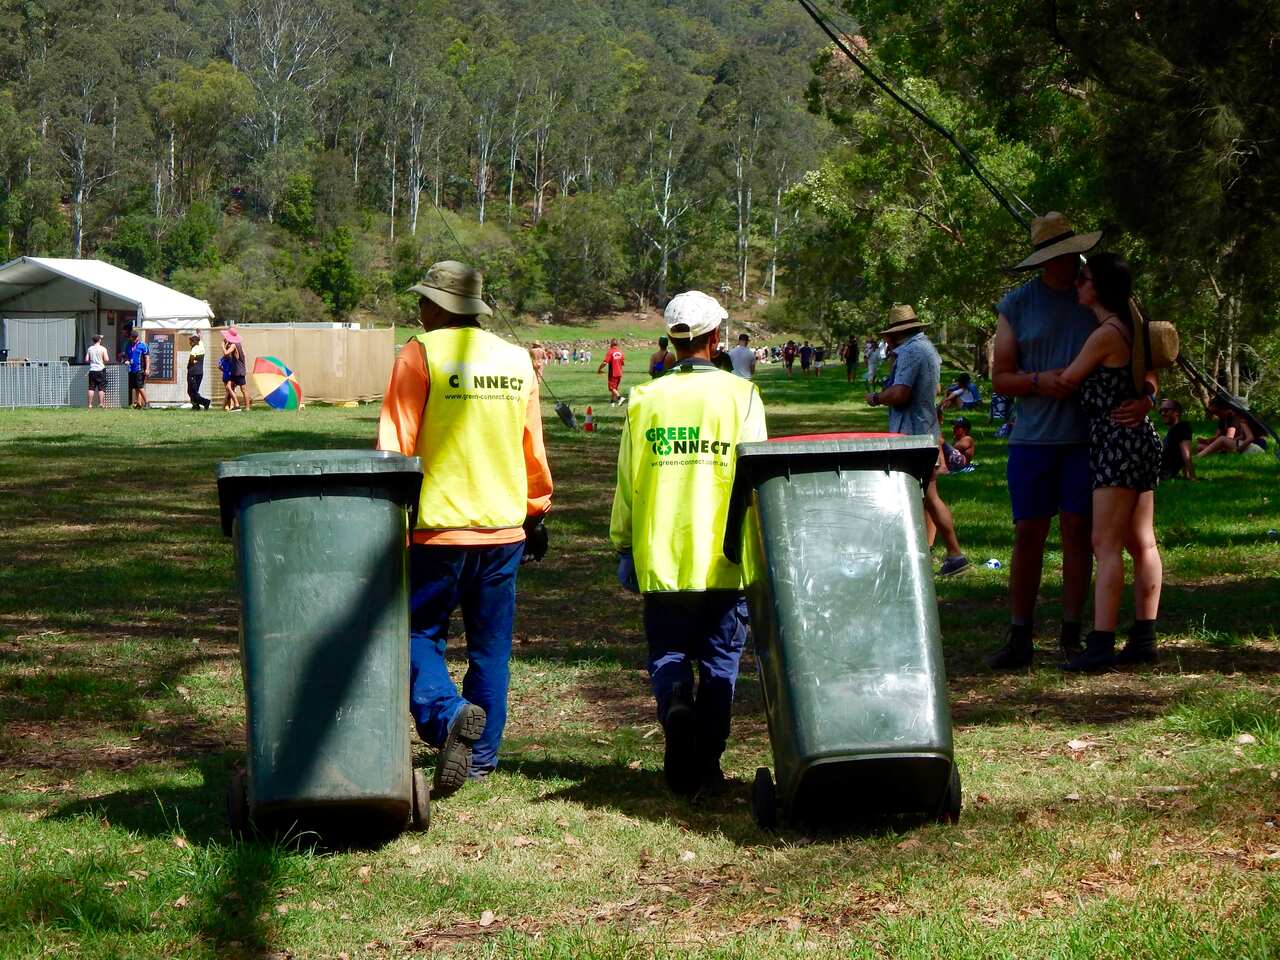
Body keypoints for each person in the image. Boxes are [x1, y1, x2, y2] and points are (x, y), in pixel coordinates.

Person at [377, 260, 553, 794]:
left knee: (412, 634)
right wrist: (536, 507)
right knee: (491, 648)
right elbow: (532, 447)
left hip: (437, 528)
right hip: (503, 528)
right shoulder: (517, 359)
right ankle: (480, 760)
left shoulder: (420, 353)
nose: (418, 309)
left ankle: (446, 713)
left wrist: (384, 514)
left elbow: (394, 447)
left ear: (438, 306)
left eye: (423, 300)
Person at [609, 290, 766, 799]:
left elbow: (627, 483)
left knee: (669, 650)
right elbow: (760, 480)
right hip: (726, 556)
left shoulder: (644, 398)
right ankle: (707, 762)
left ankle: (675, 700)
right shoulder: (741, 395)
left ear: (672, 341)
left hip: (663, 555)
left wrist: (623, 544)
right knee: (721, 663)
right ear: (715, 337)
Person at [985, 212, 1151, 669]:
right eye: (1056, 256)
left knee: (1080, 535)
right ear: (1042, 260)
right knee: (1028, 534)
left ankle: (1072, 633)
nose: (1068, 263)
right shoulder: (1016, 305)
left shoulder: (1102, 298)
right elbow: (1000, 377)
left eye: (1071, 253)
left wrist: (1147, 399)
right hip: (1033, 438)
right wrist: (1039, 381)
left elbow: (1145, 358)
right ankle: (1020, 634)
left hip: (1090, 440)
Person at [1055, 252, 1163, 669]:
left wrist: (1029, 379)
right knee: (1143, 542)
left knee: (1106, 544)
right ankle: (1143, 637)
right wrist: (1147, 400)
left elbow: (1069, 380)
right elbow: (1152, 374)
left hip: (1115, 442)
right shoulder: (1134, 323)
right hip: (1139, 440)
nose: (1077, 285)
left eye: (1082, 279)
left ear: (1097, 286)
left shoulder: (1105, 333)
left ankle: (1100, 643)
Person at [867, 305, 970, 577]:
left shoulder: (912, 352)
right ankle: (947, 554)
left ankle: (946, 553)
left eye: (889, 335)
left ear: (898, 333)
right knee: (928, 497)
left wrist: (877, 397)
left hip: (912, 436)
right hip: (925, 431)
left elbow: (901, 393)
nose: (887, 340)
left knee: (914, 497)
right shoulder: (925, 349)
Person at [1158, 400, 1195, 480]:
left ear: (1177, 412)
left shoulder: (1182, 428)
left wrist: (1192, 477)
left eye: (1166, 410)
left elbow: (1186, 454)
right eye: (1161, 411)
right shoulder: (1173, 430)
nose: (1163, 414)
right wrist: (1186, 475)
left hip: (1161, 474)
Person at [221, 328, 251, 411]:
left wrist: (223, 346)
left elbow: (226, 354)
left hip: (238, 371)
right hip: (238, 370)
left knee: (241, 389)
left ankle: (241, 406)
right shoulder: (239, 344)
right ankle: (239, 406)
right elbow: (244, 354)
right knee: (232, 387)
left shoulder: (234, 345)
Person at [126, 328, 150, 409]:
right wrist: (127, 361)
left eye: (136, 337)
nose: (135, 339)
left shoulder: (143, 345)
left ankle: (147, 402)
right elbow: (127, 357)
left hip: (140, 369)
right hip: (131, 369)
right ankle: (138, 404)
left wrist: (147, 369)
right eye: (133, 337)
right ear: (130, 337)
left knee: (140, 386)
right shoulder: (128, 345)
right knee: (136, 387)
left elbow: (147, 357)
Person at [186, 333, 211, 410]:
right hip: (200, 372)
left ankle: (205, 402)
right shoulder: (201, 345)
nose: (189, 342)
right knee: (194, 390)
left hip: (193, 372)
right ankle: (196, 406)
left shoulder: (194, 349)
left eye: (191, 341)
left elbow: (191, 361)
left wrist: (190, 365)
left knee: (191, 391)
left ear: (194, 342)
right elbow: (200, 338)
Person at [598, 338, 626, 405]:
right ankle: (612, 403)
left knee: (612, 388)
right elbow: (622, 363)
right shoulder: (621, 352)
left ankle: (620, 397)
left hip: (613, 373)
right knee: (615, 389)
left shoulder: (610, 352)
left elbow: (605, 362)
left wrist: (599, 369)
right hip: (619, 373)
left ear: (611, 344)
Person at [85, 333, 109, 409]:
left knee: (91, 388)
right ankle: (101, 404)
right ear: (99, 340)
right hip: (101, 369)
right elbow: (106, 359)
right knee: (101, 388)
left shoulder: (90, 349)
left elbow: (86, 359)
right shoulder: (103, 348)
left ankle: (89, 405)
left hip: (92, 370)